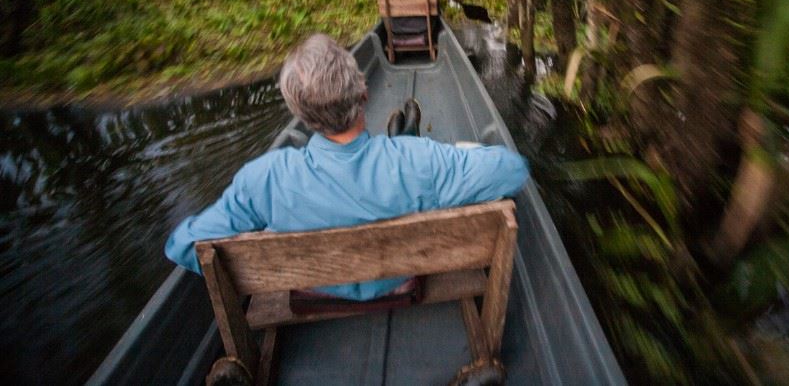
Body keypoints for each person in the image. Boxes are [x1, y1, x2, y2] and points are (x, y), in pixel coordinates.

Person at [164, 34, 528, 301]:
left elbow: (182, 245)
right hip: (397, 281)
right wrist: (460, 151)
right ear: (364, 94)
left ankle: (403, 134)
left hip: (313, 288)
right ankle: (405, 134)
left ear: (301, 115)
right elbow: (512, 170)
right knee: (426, 165)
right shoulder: (420, 161)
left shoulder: (264, 178)